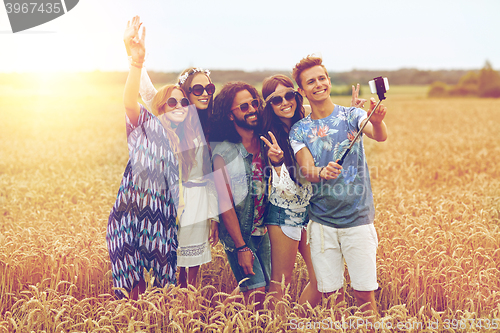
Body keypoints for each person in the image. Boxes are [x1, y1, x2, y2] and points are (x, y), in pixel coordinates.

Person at [123, 16, 219, 289]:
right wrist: (132, 53)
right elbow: (140, 91)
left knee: (191, 276)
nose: (204, 93)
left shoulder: (214, 119)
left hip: (197, 203)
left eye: (209, 88)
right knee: (163, 267)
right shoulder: (170, 108)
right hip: (165, 203)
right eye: (197, 89)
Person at [289, 55, 388, 315]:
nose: (318, 84)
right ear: (302, 90)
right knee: (327, 296)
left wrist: (376, 121)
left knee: (365, 296)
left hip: (358, 219)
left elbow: (380, 135)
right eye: (311, 81)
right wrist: (321, 172)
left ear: (329, 81)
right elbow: (306, 169)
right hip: (322, 224)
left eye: (322, 78)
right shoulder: (299, 130)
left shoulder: (352, 115)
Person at [107, 21, 183, 299]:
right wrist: (136, 62)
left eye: (183, 103)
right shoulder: (147, 125)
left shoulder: (188, 142)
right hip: (128, 217)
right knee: (131, 294)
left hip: (162, 223)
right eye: (172, 102)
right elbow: (130, 101)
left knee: (162, 295)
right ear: (160, 108)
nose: (179, 107)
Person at [258, 74, 322, 307]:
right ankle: (277, 326)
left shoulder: (305, 124)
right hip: (284, 213)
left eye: (289, 95)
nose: (285, 102)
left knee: (322, 279)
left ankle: (295, 324)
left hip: (309, 213)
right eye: (276, 100)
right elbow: (284, 191)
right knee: (280, 283)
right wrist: (276, 163)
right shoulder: (268, 135)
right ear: (269, 105)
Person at [210, 82, 271, 306]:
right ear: (230, 115)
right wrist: (241, 246)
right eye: (243, 107)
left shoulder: (266, 142)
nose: (252, 109)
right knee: (256, 295)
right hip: (241, 233)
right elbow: (224, 204)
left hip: (264, 230)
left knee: (273, 294)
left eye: (254, 103)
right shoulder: (223, 153)